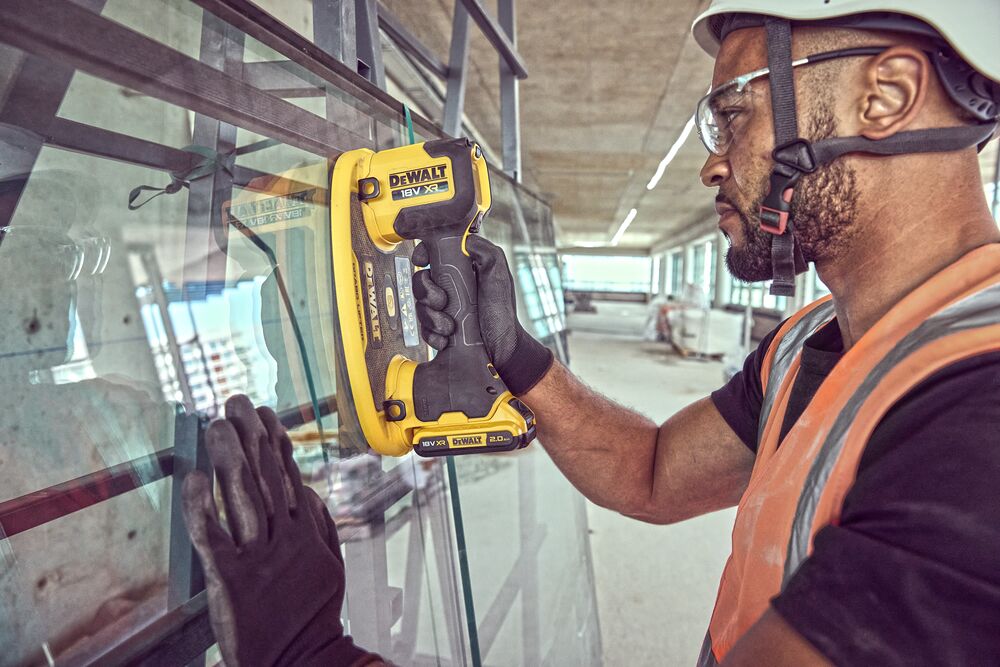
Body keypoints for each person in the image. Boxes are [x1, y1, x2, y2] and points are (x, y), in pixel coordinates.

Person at [185, 0, 1000, 664]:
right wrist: (517, 355)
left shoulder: (979, 415)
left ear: (886, 97)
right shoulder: (811, 342)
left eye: (733, 115)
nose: (713, 164)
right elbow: (651, 473)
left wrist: (309, 655)